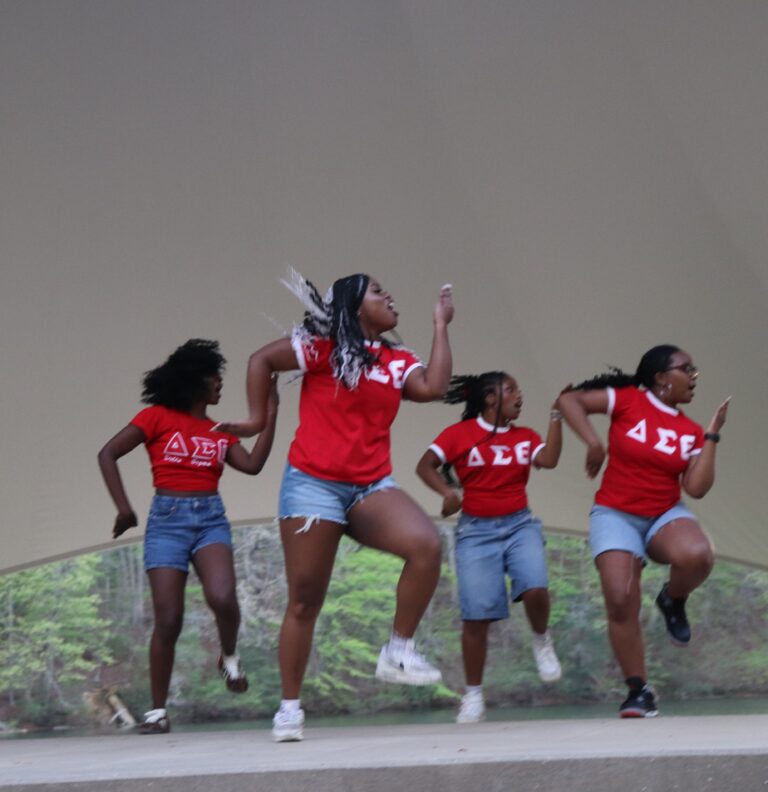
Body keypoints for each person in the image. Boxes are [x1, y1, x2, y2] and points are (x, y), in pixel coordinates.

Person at [216, 270, 454, 742]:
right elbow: (261, 359)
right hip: (313, 486)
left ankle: (398, 649)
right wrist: (256, 418)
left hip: (369, 487)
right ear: (354, 306)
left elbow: (433, 387)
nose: (389, 295)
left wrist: (441, 326)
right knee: (305, 600)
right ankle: (289, 708)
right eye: (378, 291)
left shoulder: (395, 359)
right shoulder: (320, 348)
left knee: (426, 545)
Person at [98, 339, 278, 734]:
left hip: (210, 517)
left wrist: (271, 413)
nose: (220, 383)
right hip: (167, 520)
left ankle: (228, 656)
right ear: (193, 380)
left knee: (223, 598)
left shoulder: (220, 429)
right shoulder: (156, 417)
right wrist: (124, 508)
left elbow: (251, 465)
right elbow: (107, 453)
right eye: (214, 376)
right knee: (169, 618)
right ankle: (157, 714)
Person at [557, 345, 729, 718]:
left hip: (663, 513)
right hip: (615, 514)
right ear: (661, 377)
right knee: (620, 599)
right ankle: (639, 690)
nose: (694, 376)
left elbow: (696, 488)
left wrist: (711, 436)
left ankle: (672, 598)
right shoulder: (628, 400)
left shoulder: (689, 430)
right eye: (687, 368)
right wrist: (593, 442)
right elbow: (569, 400)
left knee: (698, 553)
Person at [416, 371, 563, 723]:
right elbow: (425, 466)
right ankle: (473, 696)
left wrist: (557, 415)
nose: (519, 395)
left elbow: (550, 460)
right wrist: (449, 493)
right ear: (490, 398)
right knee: (476, 617)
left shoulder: (526, 437)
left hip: (520, 525)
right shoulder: (460, 435)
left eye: (518, 388)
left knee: (536, 587)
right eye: (512, 389)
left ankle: (542, 640)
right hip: (476, 532)